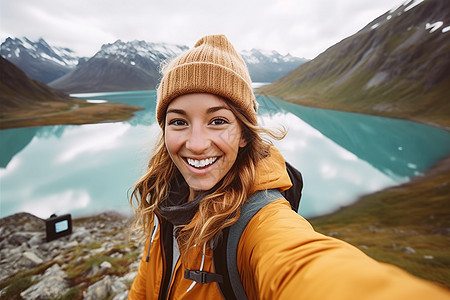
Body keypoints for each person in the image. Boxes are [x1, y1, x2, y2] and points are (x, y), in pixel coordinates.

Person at [128, 34, 449, 299]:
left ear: (243, 134)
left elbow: (303, 267)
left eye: (218, 121)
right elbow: (145, 285)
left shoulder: (259, 221)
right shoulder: (167, 197)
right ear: (164, 129)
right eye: (179, 121)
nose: (196, 143)